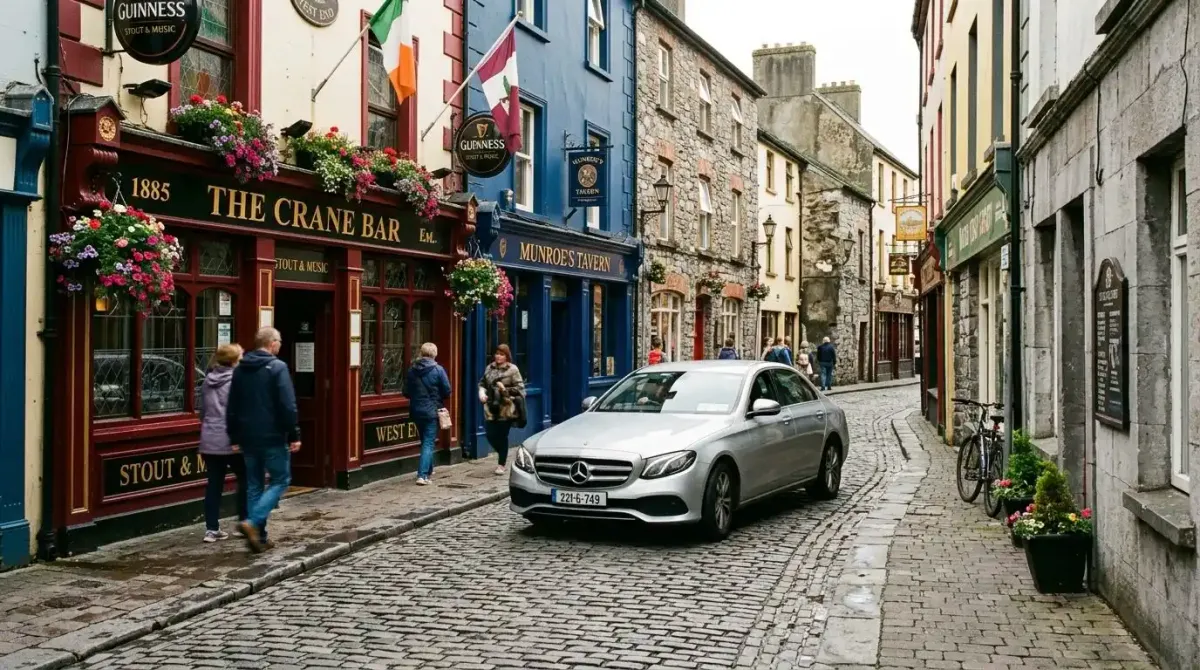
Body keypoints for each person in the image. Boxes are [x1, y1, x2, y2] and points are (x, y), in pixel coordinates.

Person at [228, 327, 300, 554]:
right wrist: (293, 434)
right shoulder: (277, 367)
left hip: (248, 437)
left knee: (254, 485)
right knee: (281, 480)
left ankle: (259, 537)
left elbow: (232, 405)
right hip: (272, 436)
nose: (280, 345)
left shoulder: (240, 369)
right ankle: (253, 522)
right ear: (271, 343)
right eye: (279, 341)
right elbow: (287, 405)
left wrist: (234, 435)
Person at [199, 343, 246, 543]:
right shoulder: (238, 381)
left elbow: (202, 411)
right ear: (234, 361)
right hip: (231, 439)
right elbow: (239, 412)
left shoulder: (207, 380)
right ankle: (244, 523)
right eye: (241, 356)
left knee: (214, 484)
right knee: (245, 479)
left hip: (210, 439)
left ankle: (211, 529)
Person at [403, 342, 452, 486]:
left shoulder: (412, 370)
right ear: (435, 354)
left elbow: (405, 391)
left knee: (425, 441)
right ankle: (422, 475)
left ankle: (429, 471)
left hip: (416, 410)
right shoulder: (438, 370)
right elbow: (447, 391)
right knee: (429, 442)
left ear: (421, 353)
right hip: (432, 411)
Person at [479, 344, 525, 475]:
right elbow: (482, 383)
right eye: (497, 354)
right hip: (490, 407)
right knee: (490, 435)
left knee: (502, 435)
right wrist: (481, 393)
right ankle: (502, 453)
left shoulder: (513, 370)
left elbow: (520, 389)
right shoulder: (490, 367)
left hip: (506, 408)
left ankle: (501, 464)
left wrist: (504, 389)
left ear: (507, 356)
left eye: (502, 354)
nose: (498, 356)